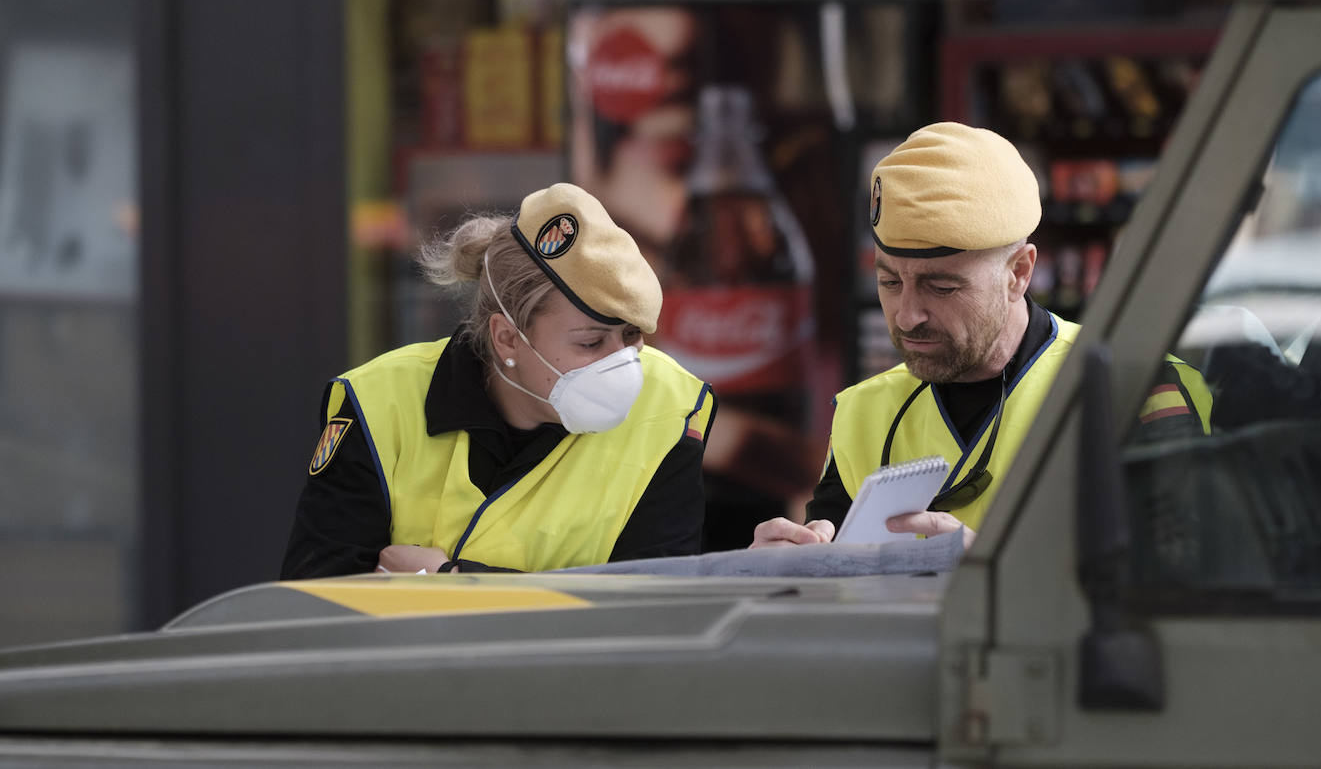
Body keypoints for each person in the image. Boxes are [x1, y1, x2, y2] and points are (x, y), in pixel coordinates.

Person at [751, 122, 1210, 550]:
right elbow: (830, 575)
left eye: (942, 286)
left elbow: (1186, 574)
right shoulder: (861, 413)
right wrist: (793, 568)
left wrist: (994, 575)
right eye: (890, 282)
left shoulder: (1138, 387)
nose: (908, 315)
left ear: (1020, 273)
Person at [281, 183, 716, 578]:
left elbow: (651, 614)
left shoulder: (672, 408)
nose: (621, 363)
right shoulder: (378, 403)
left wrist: (454, 580)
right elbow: (316, 604)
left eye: (631, 336)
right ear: (507, 338)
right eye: (591, 342)